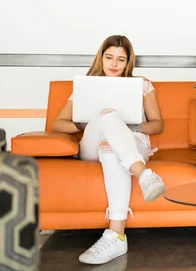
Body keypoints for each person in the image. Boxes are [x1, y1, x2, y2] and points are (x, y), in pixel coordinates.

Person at [52, 35, 166, 265]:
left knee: (110, 149)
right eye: (109, 57)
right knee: (107, 117)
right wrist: (93, 121)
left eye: (121, 60)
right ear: (101, 58)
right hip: (92, 143)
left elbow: (157, 124)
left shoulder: (141, 84)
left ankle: (116, 235)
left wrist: (125, 125)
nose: (114, 64)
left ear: (128, 63)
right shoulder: (87, 86)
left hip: (133, 142)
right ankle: (143, 174)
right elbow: (58, 124)